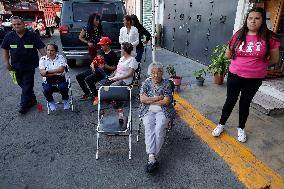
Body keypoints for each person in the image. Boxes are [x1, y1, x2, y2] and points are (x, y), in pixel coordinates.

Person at [212, 7, 280, 143]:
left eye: (257, 18)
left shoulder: (269, 37)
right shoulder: (239, 34)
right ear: (246, 20)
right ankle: (221, 124)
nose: (253, 21)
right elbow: (228, 54)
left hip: (255, 78)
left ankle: (241, 128)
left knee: (245, 103)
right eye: (250, 18)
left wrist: (258, 65)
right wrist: (239, 63)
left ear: (262, 20)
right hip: (235, 75)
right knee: (230, 101)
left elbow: (274, 59)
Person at [1, 16, 46, 114]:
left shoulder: (32, 35)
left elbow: (41, 48)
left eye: (19, 24)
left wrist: (47, 61)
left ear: (24, 24)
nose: (16, 26)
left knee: (27, 84)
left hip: (29, 66)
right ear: (12, 25)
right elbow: (5, 49)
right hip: (15, 66)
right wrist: (6, 63)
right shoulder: (9, 36)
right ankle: (33, 99)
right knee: (22, 83)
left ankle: (23, 105)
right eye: (14, 24)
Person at [139, 62, 175, 173]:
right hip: (147, 110)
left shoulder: (167, 84)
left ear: (162, 73)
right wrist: (158, 98)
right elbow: (142, 99)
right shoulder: (146, 83)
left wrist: (150, 100)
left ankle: (153, 155)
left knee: (159, 127)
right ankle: (151, 155)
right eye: (153, 73)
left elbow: (166, 101)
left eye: (158, 72)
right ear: (150, 73)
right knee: (149, 126)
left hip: (163, 111)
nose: (155, 75)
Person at [99, 42, 138, 121]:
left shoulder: (132, 60)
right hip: (117, 77)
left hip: (125, 80)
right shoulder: (122, 58)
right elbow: (117, 69)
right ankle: (112, 100)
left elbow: (130, 74)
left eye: (122, 48)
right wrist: (112, 76)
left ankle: (116, 104)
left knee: (112, 87)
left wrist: (118, 78)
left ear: (125, 50)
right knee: (102, 84)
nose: (120, 50)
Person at [76, 36, 118, 102]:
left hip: (104, 72)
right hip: (95, 69)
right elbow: (95, 60)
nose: (101, 46)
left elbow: (115, 67)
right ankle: (87, 93)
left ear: (107, 45)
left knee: (88, 79)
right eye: (101, 45)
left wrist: (105, 66)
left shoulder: (112, 54)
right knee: (79, 76)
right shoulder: (101, 52)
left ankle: (96, 96)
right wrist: (92, 65)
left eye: (102, 45)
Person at [39, 44, 70, 111]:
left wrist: (47, 71)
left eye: (52, 50)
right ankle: (51, 102)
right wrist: (56, 73)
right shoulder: (43, 59)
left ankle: (65, 100)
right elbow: (42, 73)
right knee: (46, 90)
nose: (49, 52)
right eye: (48, 50)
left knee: (63, 87)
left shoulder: (61, 57)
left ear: (56, 51)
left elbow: (61, 70)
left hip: (61, 79)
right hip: (48, 80)